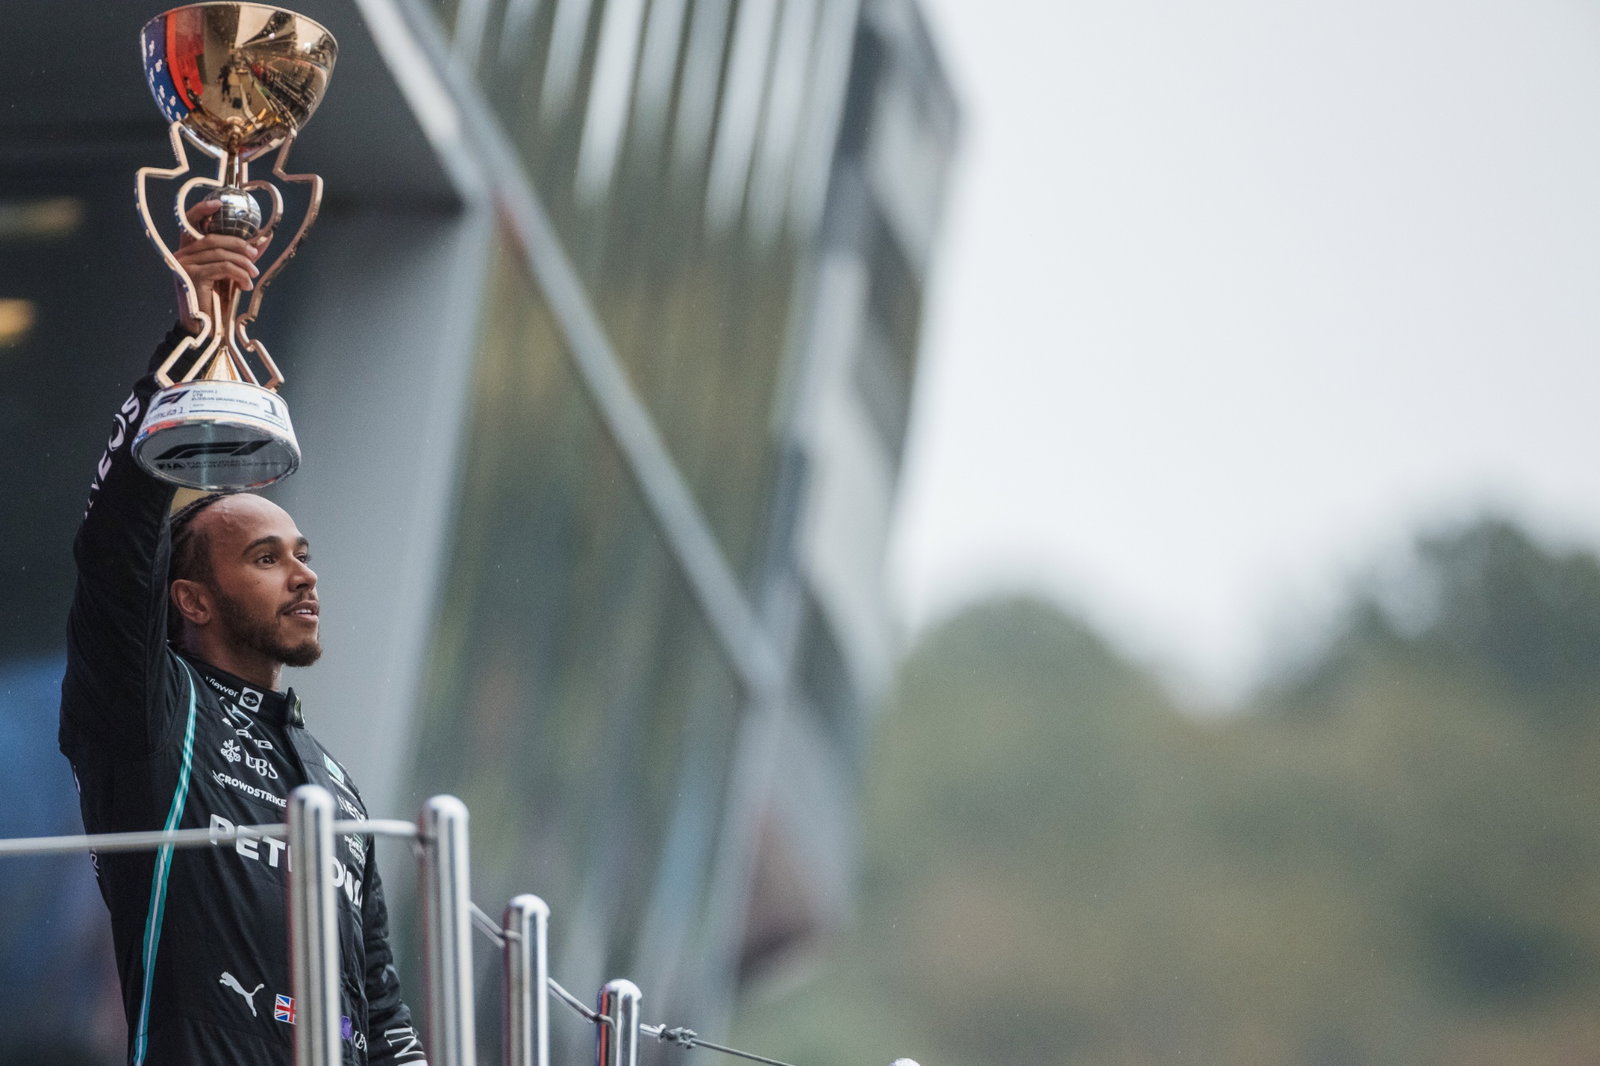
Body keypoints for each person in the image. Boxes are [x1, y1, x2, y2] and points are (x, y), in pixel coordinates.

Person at [59, 201, 428, 1066]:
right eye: (266, 558)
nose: (304, 575)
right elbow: (115, 553)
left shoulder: (334, 783)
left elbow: (382, 1008)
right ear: (191, 599)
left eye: (302, 555)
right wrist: (187, 351)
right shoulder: (149, 715)